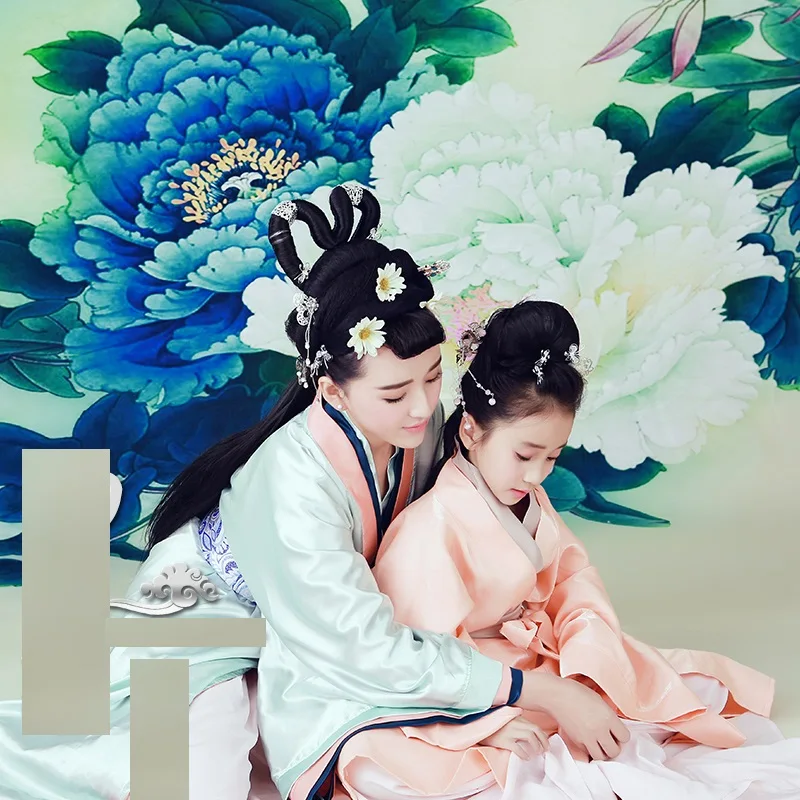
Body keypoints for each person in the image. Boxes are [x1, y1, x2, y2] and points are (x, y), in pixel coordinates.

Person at [0, 186, 626, 800]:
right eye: (393, 393)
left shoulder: (417, 425)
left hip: (304, 635)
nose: (420, 407)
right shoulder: (291, 481)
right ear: (332, 390)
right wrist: (537, 691)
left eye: (433, 378)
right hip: (204, 616)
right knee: (192, 786)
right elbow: (358, 643)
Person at [323, 299, 800, 800]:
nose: (537, 475)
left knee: (690, 689)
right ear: (470, 429)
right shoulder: (430, 527)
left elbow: (574, 586)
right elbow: (420, 656)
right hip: (471, 685)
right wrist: (487, 723)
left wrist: (587, 660)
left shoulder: (529, 499)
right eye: (524, 455)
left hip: (534, 659)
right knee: (386, 768)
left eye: (552, 457)